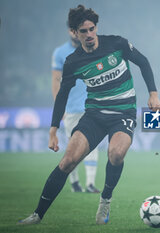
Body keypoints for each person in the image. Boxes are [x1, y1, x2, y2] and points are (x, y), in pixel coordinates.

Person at [18, 4, 160, 225]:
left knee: (115, 154)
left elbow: (143, 62)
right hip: (94, 116)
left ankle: (105, 200)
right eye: (83, 31)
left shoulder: (117, 44)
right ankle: (37, 215)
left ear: (96, 28)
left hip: (123, 112)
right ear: (75, 33)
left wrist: (153, 93)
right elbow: (62, 96)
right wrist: (53, 129)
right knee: (67, 162)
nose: (89, 35)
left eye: (91, 29)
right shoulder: (73, 62)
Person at [52, 25, 100, 193]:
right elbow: (56, 81)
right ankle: (74, 183)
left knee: (92, 144)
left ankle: (90, 184)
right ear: (71, 31)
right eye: (77, 30)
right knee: (72, 147)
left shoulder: (91, 48)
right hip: (71, 109)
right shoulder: (60, 52)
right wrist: (60, 109)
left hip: (91, 106)